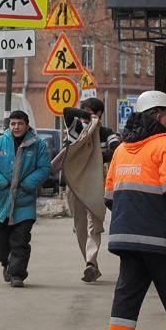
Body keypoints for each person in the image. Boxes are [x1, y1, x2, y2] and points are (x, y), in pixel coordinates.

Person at [104, 90, 166, 330]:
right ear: (157, 115)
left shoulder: (122, 149)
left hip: (127, 238)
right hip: (162, 240)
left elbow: (109, 198)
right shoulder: (165, 146)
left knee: (126, 299)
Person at [0, 109, 52, 287]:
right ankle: (7, 262)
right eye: (13, 123)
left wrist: (26, 185)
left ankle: (17, 275)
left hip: (24, 201)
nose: (16, 127)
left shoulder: (38, 145)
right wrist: (2, 183)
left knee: (20, 239)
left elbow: (44, 169)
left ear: (27, 125)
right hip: (3, 200)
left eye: (20, 124)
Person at [60, 97, 122, 282]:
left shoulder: (106, 133)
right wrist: (85, 116)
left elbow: (116, 149)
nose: (88, 117)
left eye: (93, 113)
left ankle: (90, 262)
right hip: (75, 184)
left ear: (101, 115)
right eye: (86, 113)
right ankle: (91, 264)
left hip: (96, 183)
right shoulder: (75, 130)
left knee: (94, 225)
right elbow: (67, 112)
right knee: (80, 227)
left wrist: (96, 158)